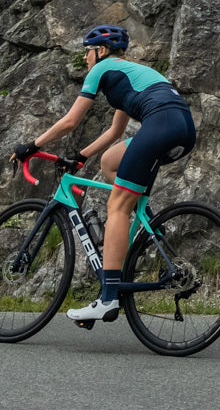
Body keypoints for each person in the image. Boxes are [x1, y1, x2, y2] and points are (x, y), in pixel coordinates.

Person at [11, 25, 196, 326]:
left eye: (87, 51)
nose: (85, 58)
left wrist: (32, 145)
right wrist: (82, 156)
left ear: (101, 51)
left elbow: (71, 121)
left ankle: (107, 299)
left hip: (160, 125)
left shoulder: (102, 69)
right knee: (111, 162)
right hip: (183, 128)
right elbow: (116, 131)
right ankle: (145, 223)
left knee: (117, 207)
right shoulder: (131, 74)